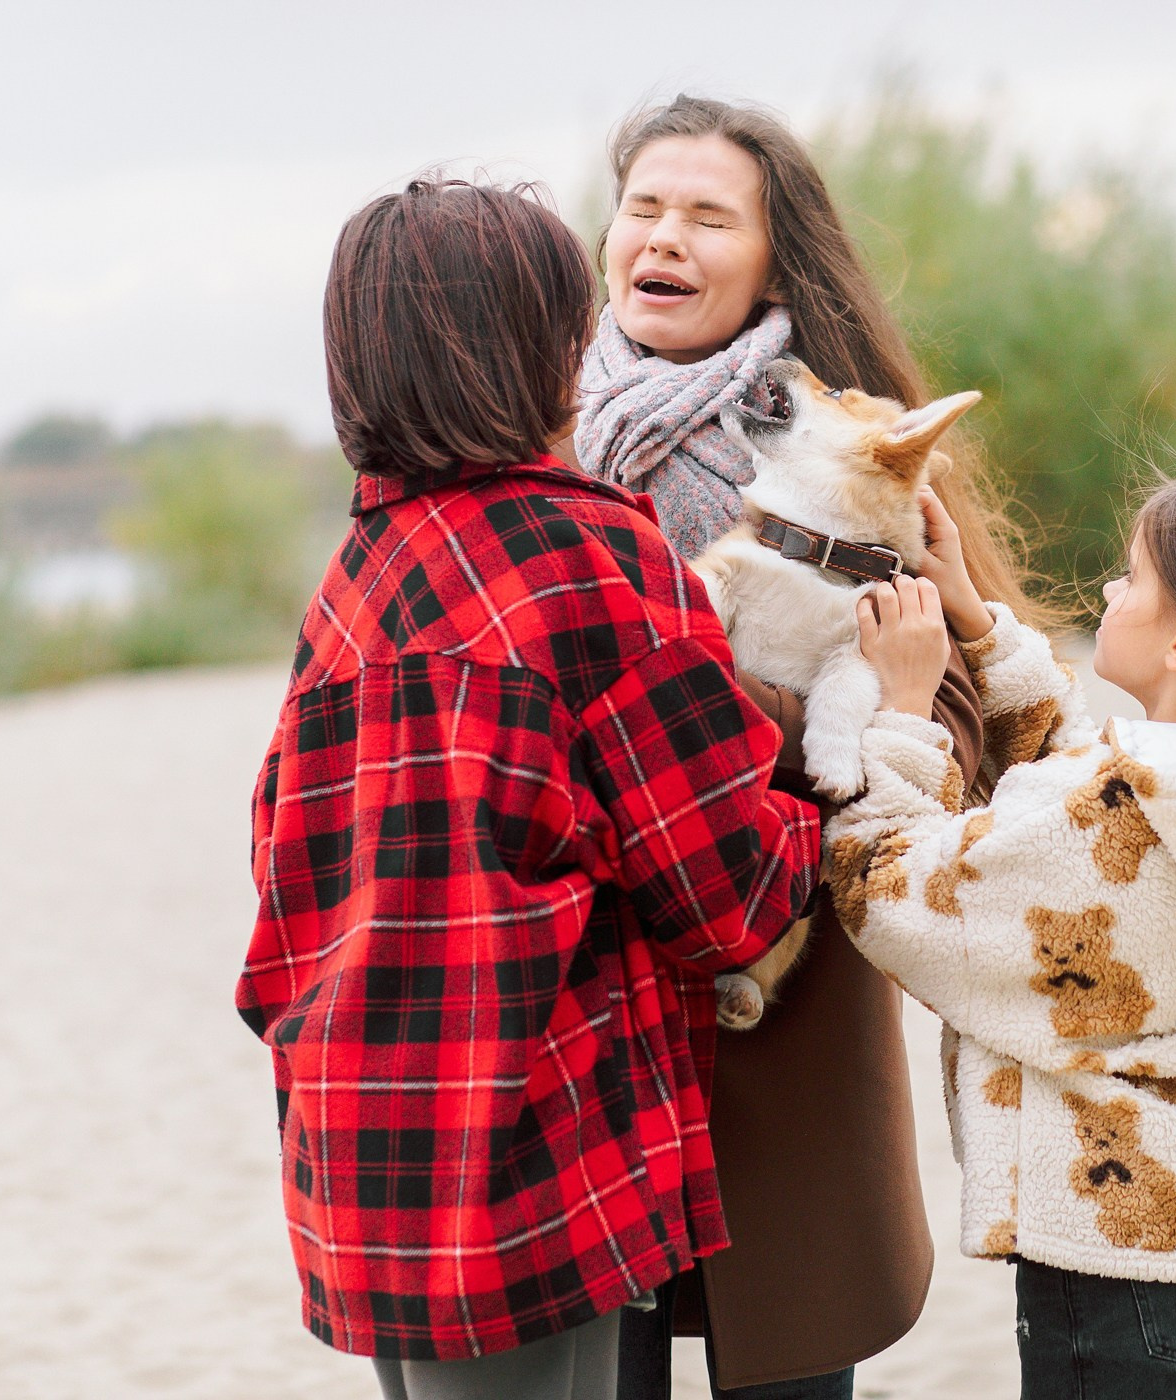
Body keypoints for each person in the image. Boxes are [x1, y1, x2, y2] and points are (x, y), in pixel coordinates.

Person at [234, 176, 822, 1400]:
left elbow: (282, 877)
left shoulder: (354, 581)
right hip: (529, 1156)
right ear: (526, 350)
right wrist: (857, 767)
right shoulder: (587, 555)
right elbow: (729, 892)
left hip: (358, 1149)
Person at [571, 94, 1042, 1399]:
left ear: (776, 260)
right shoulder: (538, 435)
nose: (663, 237)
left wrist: (728, 710)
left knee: (779, 1350)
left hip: (780, 988)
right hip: (590, 996)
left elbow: (942, 711)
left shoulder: (854, 453)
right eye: (643, 209)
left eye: (708, 216)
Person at [832, 473, 1176, 1400]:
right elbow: (1075, 779)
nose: (1110, 592)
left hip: (1109, 1237)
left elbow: (888, 888)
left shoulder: (1111, 802)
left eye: (1131, 578)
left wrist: (905, 711)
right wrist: (975, 618)